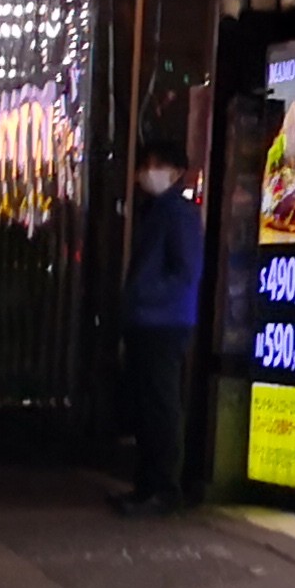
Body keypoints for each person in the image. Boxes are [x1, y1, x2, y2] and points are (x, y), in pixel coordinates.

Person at [113, 147, 204, 514]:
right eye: (146, 165)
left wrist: (143, 295)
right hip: (149, 320)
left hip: (164, 322)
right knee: (146, 406)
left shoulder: (177, 213)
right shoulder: (157, 211)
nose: (149, 172)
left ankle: (163, 490)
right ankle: (146, 486)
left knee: (159, 406)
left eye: (158, 165)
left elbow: (186, 271)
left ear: (177, 171)